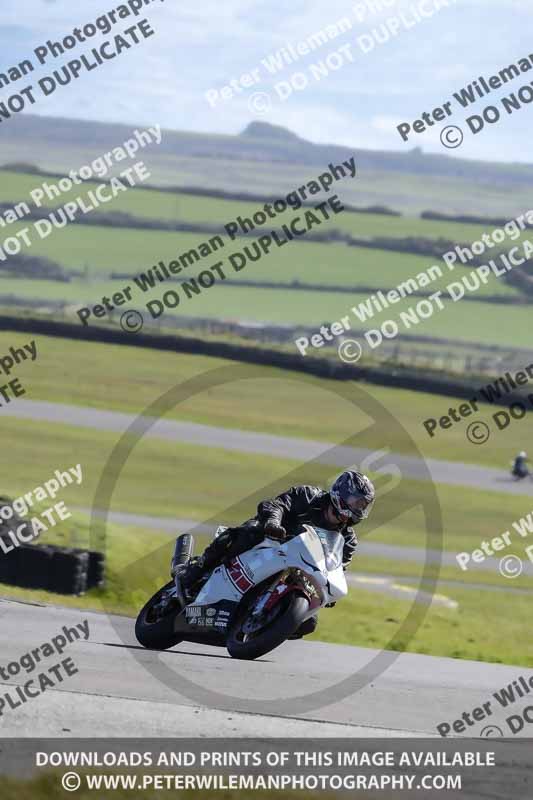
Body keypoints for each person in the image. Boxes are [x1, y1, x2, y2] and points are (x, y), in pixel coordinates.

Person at [174, 469, 376, 637]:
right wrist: (273, 522)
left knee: (309, 622)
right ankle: (194, 571)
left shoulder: (348, 540)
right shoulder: (308, 495)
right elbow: (276, 505)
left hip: (298, 568)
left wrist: (330, 591)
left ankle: (261, 627)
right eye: (356, 502)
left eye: (363, 506)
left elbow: (338, 568)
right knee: (242, 535)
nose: (359, 509)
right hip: (270, 541)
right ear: (341, 493)